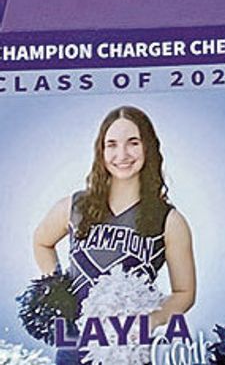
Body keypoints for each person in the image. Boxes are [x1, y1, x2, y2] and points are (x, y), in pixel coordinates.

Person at [33, 107, 196, 363]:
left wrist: (148, 322)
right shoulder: (74, 206)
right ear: (101, 151)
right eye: (111, 144)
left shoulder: (170, 220)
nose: (122, 154)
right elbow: (42, 241)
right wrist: (57, 289)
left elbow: (185, 292)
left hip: (130, 349)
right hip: (76, 342)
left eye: (133, 143)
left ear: (148, 148)